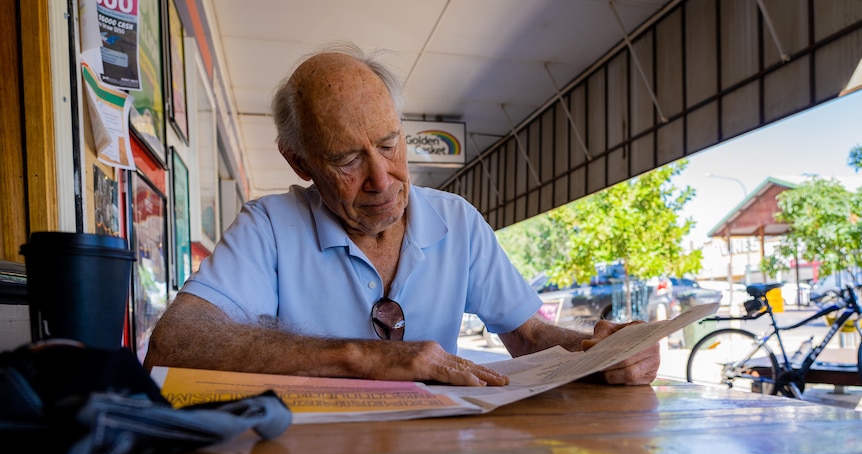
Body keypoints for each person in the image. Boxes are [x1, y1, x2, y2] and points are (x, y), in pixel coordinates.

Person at [143, 42, 659, 387]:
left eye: (390, 145)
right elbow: (173, 343)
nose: (383, 180)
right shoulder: (269, 228)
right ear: (298, 161)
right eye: (347, 160)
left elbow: (528, 338)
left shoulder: (457, 221)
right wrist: (362, 357)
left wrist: (602, 355)